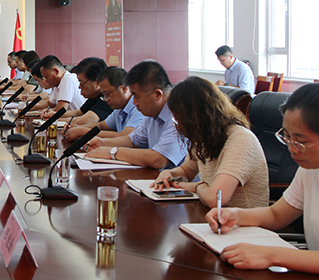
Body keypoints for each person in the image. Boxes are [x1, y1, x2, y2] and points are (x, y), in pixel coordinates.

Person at [205, 83, 319, 272]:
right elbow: (276, 215)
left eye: (301, 141)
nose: (291, 148)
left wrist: (272, 255)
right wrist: (236, 215)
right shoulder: (309, 169)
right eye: (287, 136)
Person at [154, 76, 268, 208]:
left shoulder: (241, 140)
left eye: (180, 120)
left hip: (241, 219)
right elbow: (186, 172)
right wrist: (169, 174)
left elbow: (216, 198)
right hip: (211, 215)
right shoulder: (204, 136)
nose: (178, 126)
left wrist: (197, 186)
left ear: (195, 117)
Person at [85, 60, 188, 169]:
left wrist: (113, 152)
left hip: (177, 179)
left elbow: (158, 160)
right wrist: (103, 142)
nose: (134, 102)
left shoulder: (180, 115)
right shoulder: (152, 113)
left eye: (137, 96)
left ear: (158, 94)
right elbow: (133, 141)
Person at [62, 66, 143, 143]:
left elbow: (125, 137)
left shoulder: (138, 107)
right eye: (104, 95)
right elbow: (101, 125)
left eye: (107, 94)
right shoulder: (119, 108)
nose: (106, 99)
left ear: (124, 88)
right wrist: (78, 127)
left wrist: (83, 131)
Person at [54, 57, 112, 126]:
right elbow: (78, 113)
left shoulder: (108, 97)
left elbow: (86, 120)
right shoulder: (95, 95)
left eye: (81, 83)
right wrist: (54, 115)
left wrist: (54, 120)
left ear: (97, 82)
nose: (79, 87)